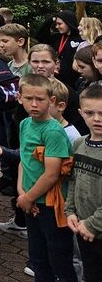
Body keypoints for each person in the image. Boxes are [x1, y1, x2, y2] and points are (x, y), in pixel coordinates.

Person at [17, 73, 76, 282]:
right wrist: (22, 194)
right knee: (38, 258)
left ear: (51, 100)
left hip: (51, 205)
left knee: (59, 259)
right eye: (29, 98)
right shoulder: (25, 124)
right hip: (31, 202)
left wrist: (28, 197)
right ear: (19, 98)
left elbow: (51, 174)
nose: (34, 104)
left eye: (40, 99)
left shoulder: (53, 132)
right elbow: (24, 161)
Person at [66, 81, 102, 280]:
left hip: (93, 226)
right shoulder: (79, 143)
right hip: (83, 228)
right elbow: (74, 180)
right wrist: (70, 211)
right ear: (80, 113)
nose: (96, 119)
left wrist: (93, 224)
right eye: (90, 113)